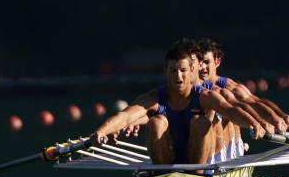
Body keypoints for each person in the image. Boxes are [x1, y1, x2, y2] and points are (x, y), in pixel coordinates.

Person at [91, 39, 267, 166]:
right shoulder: (154, 98)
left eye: (183, 70)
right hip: (168, 160)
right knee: (156, 122)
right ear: (165, 71)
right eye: (173, 70)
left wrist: (253, 124)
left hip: (202, 162)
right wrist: (101, 132)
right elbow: (125, 116)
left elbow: (231, 110)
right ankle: (162, 174)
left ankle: (200, 171)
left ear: (192, 71)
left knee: (201, 121)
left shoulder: (206, 95)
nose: (178, 76)